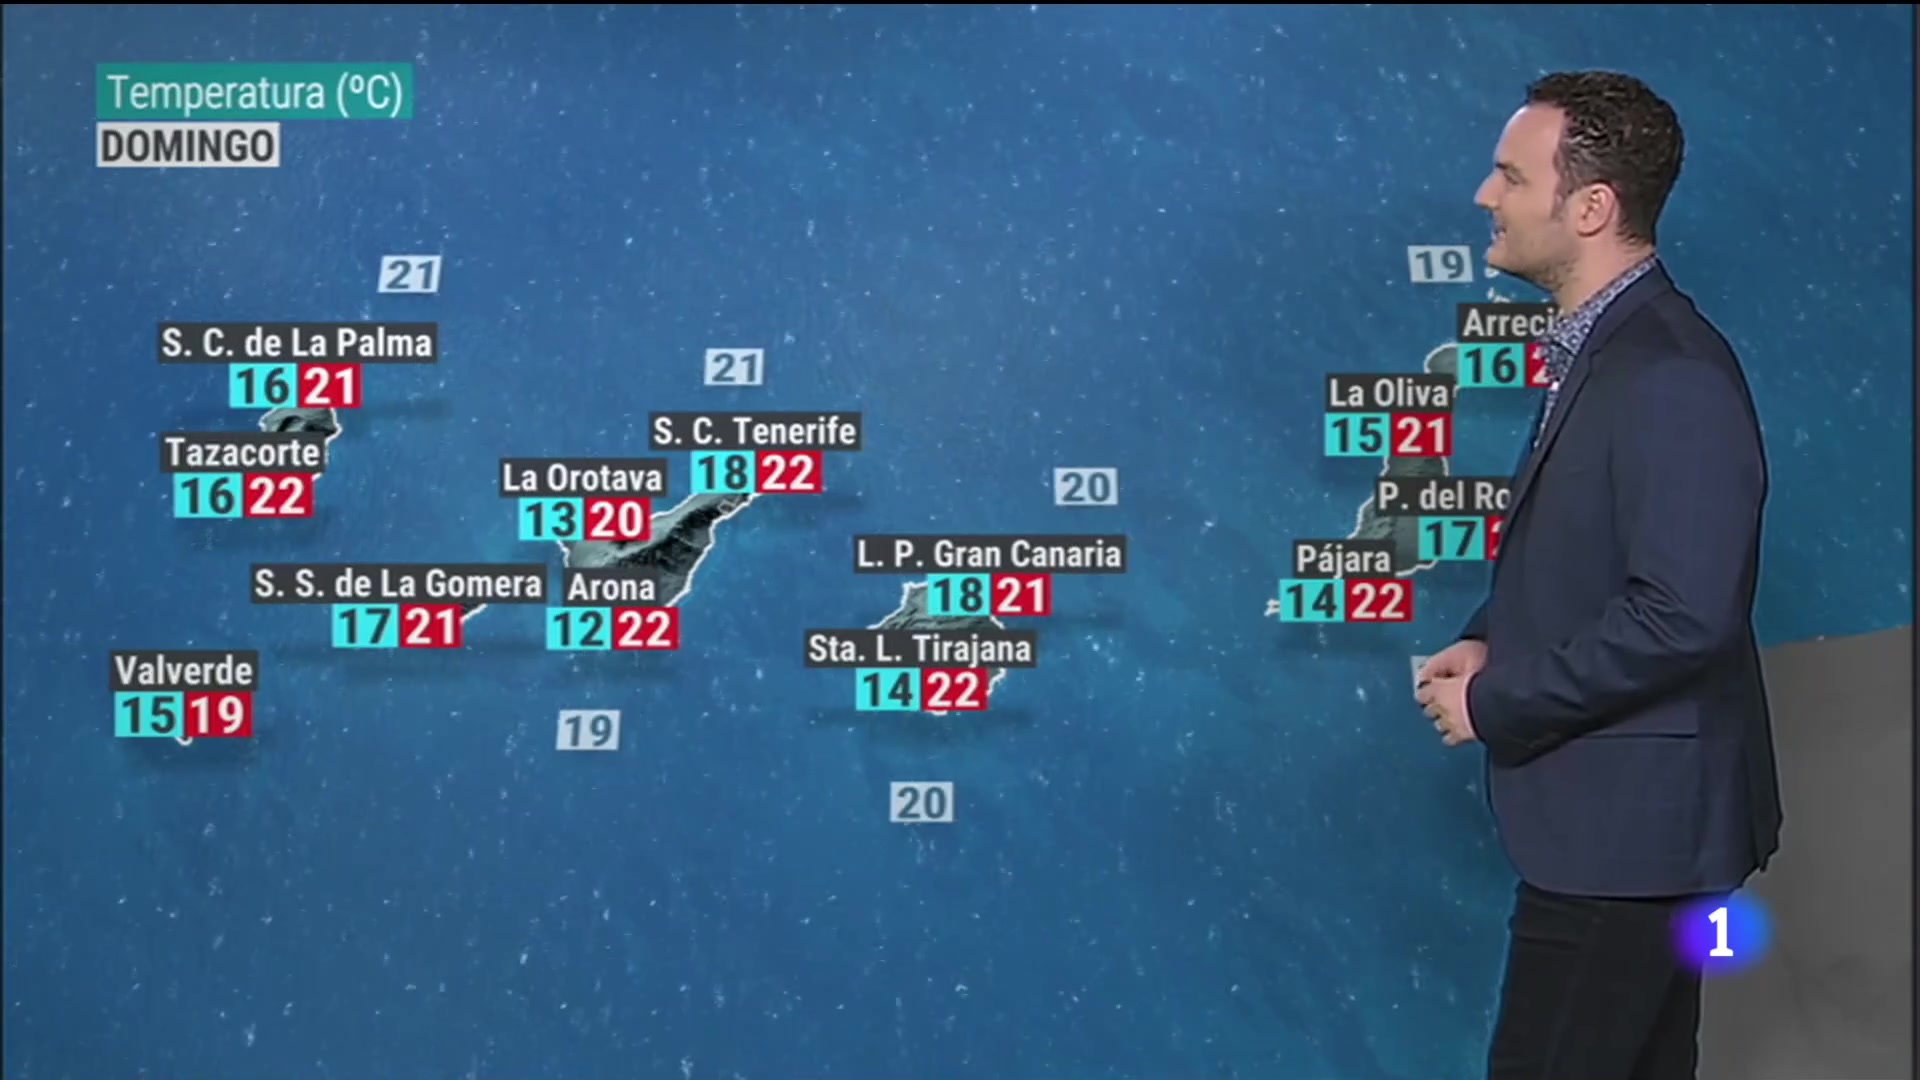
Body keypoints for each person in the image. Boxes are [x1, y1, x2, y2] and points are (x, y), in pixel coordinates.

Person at [1413, 71, 1783, 1080]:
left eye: (1509, 176)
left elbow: (1683, 616)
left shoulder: (1670, 372)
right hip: (1618, 834)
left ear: (1590, 208)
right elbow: (1593, 554)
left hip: (1627, 842)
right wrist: (1491, 633)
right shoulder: (1609, 353)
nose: (1485, 196)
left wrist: (1496, 702)